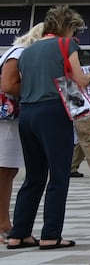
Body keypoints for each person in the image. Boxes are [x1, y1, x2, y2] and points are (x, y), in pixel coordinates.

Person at [7, 5, 90, 250]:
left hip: (28, 113)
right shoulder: (67, 45)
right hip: (53, 112)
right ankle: (51, 235)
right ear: (68, 27)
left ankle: (18, 233)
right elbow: (79, 79)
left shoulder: (28, 51)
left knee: (33, 176)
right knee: (58, 175)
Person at [1, 23, 46, 241]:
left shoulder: (17, 52)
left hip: (11, 118)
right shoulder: (20, 54)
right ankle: (2, 223)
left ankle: (4, 222)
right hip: (6, 119)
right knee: (4, 171)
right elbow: (8, 85)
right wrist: (35, 88)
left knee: (8, 172)